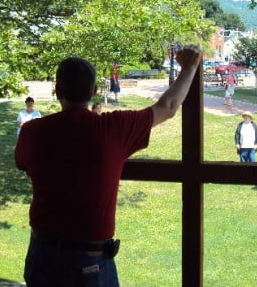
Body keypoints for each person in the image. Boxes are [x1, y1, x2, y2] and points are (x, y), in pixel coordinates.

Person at [14, 45, 202, 286]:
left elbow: (22, 162)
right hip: (89, 263)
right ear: (93, 91)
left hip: (43, 255)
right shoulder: (114, 128)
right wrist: (190, 67)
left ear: (57, 90)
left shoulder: (32, 131)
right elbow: (168, 107)